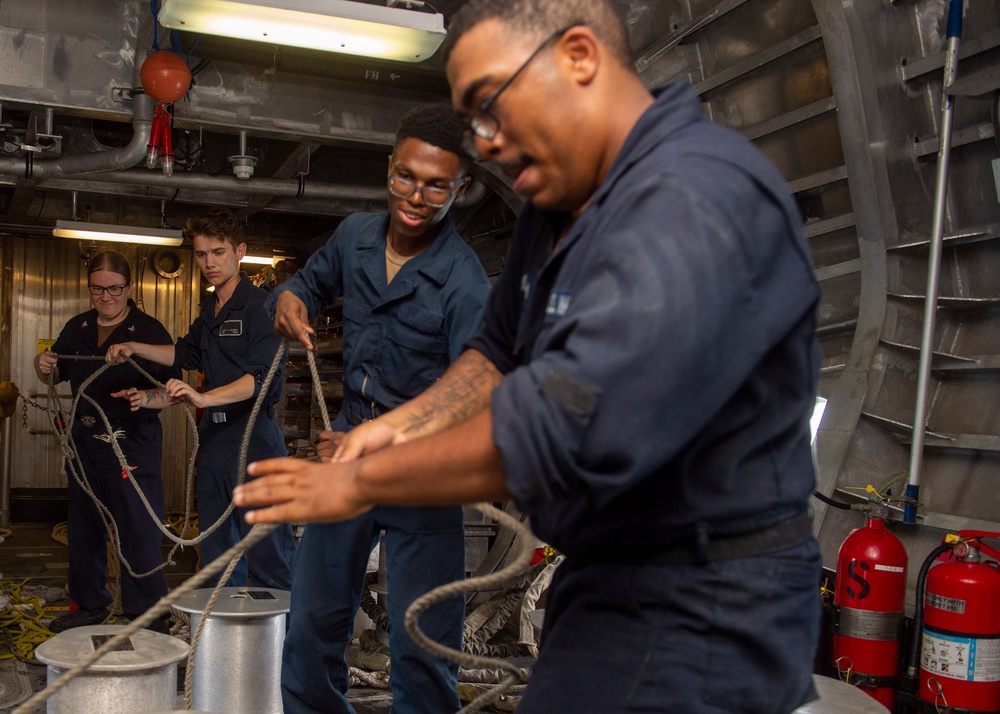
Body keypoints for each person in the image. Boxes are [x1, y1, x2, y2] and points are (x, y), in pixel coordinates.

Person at [235, 1, 823, 712]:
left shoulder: (693, 199)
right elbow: (496, 352)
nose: (487, 144)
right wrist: (400, 425)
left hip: (707, 603)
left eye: (491, 108)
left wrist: (365, 481)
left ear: (578, 57)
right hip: (606, 578)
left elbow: (568, 428)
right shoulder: (557, 210)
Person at [266, 103, 491, 714]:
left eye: (437, 185)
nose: (417, 196)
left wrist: (381, 443)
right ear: (390, 167)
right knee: (311, 624)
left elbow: (472, 402)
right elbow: (306, 284)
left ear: (461, 188)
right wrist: (289, 299)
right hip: (346, 459)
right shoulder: (355, 236)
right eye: (406, 177)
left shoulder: (466, 285)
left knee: (422, 643)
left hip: (425, 477)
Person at [107, 208, 296, 590]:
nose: (209, 263)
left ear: (239, 251)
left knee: (267, 552)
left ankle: (282, 646)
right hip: (214, 444)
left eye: (218, 252)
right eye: (201, 254)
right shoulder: (209, 311)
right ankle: (223, 645)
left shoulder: (263, 308)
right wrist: (132, 349)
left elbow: (258, 381)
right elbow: (182, 355)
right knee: (215, 554)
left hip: (254, 440)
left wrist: (201, 397)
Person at [34, 250, 176, 634]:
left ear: (130, 287)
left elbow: (175, 390)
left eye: (114, 288)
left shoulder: (148, 331)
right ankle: (90, 604)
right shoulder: (77, 327)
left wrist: (144, 397)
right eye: (97, 289)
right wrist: (42, 366)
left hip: (131, 442)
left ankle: (146, 612)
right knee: (84, 527)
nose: (106, 297)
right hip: (84, 444)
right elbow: (56, 373)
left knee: (138, 527)